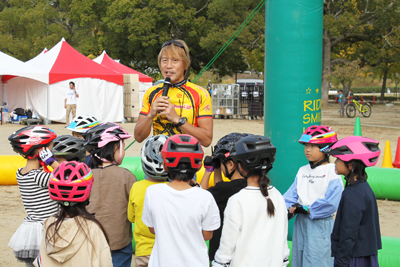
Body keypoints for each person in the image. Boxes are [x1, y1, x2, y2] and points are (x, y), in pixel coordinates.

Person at [142, 134, 220, 267]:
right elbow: (207, 235)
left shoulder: (152, 192)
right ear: (198, 166)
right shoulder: (205, 197)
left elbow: (152, 229)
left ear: (165, 165)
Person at [212, 135, 290, 267]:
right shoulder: (277, 196)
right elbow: (282, 239)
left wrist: (219, 262)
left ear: (240, 166)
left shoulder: (237, 200)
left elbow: (227, 245)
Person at [283, 125, 344, 267]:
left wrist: (307, 209)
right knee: (299, 260)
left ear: (325, 148)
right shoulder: (302, 171)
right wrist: (283, 210)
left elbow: (332, 203)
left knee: (319, 261)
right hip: (301, 224)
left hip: (321, 226)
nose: (308, 149)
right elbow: (290, 196)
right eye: (306, 145)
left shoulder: (332, 171)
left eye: (313, 146)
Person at [134, 40, 213, 147]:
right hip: (160, 160)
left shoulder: (200, 94)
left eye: (175, 60)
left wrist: (177, 119)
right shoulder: (151, 92)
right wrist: (151, 115)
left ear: (185, 65)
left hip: (188, 159)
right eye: (164, 60)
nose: (169, 66)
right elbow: (138, 137)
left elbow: (207, 141)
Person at [33, 161, 112, 267]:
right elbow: (105, 262)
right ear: (87, 193)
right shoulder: (92, 229)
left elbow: (41, 261)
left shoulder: (49, 225)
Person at [322, 136, 382, 267]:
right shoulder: (362, 187)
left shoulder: (353, 194)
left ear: (351, 165)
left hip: (354, 257)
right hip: (363, 254)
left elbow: (349, 232)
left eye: (338, 159)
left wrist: (341, 262)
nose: (335, 163)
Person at [84, 122, 137, 267]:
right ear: (115, 147)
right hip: (119, 243)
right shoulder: (127, 176)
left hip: (90, 242)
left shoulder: (85, 177)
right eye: (123, 147)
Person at [8, 126, 59, 267]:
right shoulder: (39, 177)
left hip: (30, 230)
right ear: (40, 151)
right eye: (50, 148)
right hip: (46, 230)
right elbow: (66, 176)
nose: (52, 151)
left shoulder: (21, 173)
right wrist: (51, 161)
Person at [199, 133, 252, 262]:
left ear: (231, 165)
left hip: (222, 250)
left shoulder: (224, 190)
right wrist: (218, 168)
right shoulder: (249, 186)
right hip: (244, 251)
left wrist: (208, 171)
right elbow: (220, 185)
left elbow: (202, 196)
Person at [127, 135, 169, 267]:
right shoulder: (175, 189)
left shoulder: (136, 187)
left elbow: (131, 217)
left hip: (143, 252)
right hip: (169, 251)